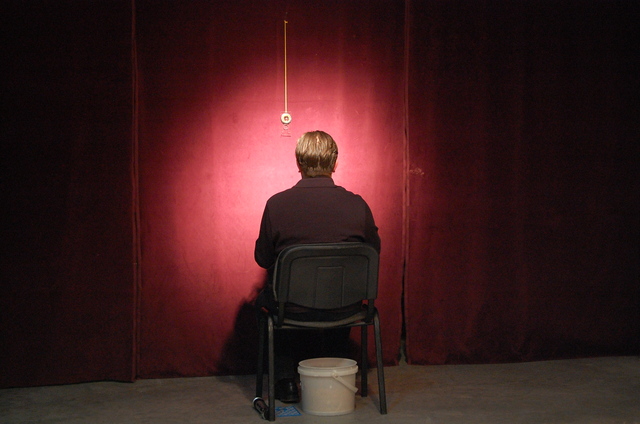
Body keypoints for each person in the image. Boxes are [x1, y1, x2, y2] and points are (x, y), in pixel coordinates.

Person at [254, 130, 381, 403]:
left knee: (273, 301)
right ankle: (335, 372)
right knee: (335, 296)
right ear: (335, 162)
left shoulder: (277, 204)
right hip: (346, 307)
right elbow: (373, 253)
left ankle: (286, 381)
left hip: (291, 308)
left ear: (298, 162)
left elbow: (263, 258)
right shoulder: (358, 205)